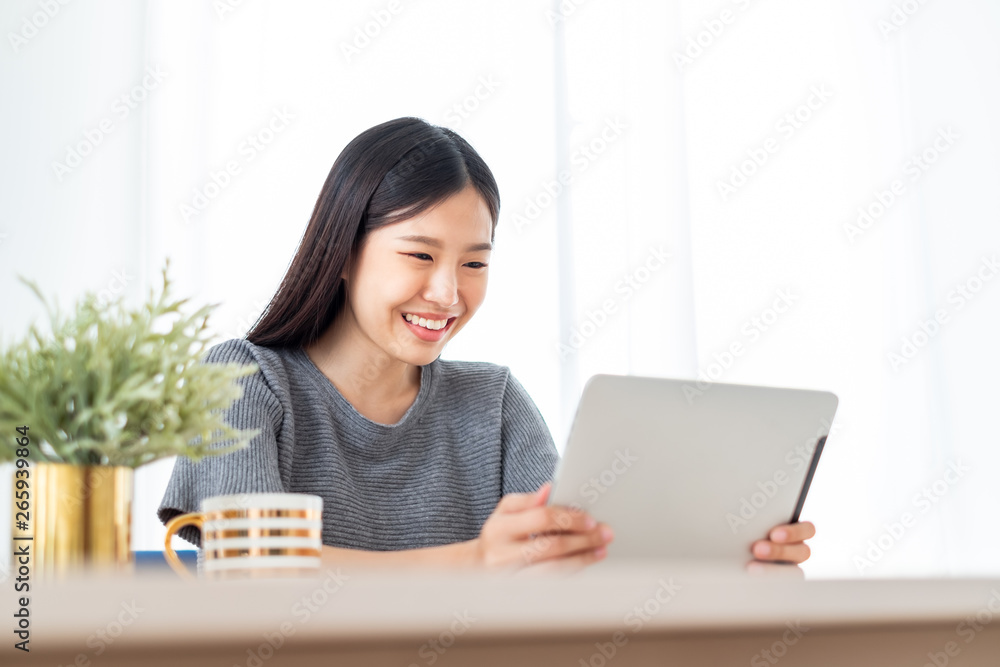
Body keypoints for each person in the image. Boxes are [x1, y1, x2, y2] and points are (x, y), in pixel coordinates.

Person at [157, 117, 815, 572]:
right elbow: (257, 572)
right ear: (343, 253)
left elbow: (569, 573)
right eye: (419, 254)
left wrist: (735, 562)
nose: (448, 293)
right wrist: (477, 561)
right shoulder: (243, 382)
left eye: (475, 263)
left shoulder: (492, 404)